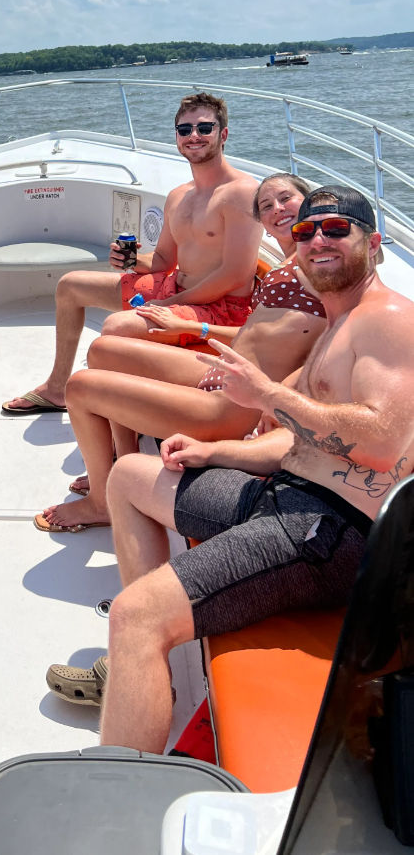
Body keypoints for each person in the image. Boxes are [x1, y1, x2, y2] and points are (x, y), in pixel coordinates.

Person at [62, 187, 414, 752]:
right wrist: (216, 453)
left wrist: (272, 396)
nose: (316, 240)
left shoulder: (388, 322)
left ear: (371, 244)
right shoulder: (338, 321)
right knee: (129, 475)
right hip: (289, 497)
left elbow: (382, 441)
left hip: (330, 534)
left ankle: (120, 791)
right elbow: (305, 444)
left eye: (335, 230)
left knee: (135, 615)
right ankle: (156, 676)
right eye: (304, 232)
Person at [38, 173, 328, 532]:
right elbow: (268, 332)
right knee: (104, 350)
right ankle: (122, 465)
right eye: (267, 205)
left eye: (286, 199)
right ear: (263, 223)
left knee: (80, 388)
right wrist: (192, 328)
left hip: (234, 404)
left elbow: (335, 333)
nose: (277, 209)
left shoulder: (319, 263)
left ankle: (103, 501)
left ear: (312, 201)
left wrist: (283, 399)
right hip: (226, 371)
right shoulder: (290, 264)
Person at [1, 93, 262, 414]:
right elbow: (164, 261)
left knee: (116, 328)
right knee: (70, 286)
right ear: (177, 138)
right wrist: (131, 261)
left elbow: (235, 274)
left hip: (220, 309)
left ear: (223, 134)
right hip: (177, 291)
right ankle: (57, 389)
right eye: (184, 130)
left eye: (204, 128)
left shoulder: (241, 193)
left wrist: (167, 305)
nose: (194, 136)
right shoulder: (179, 196)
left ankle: (118, 417)